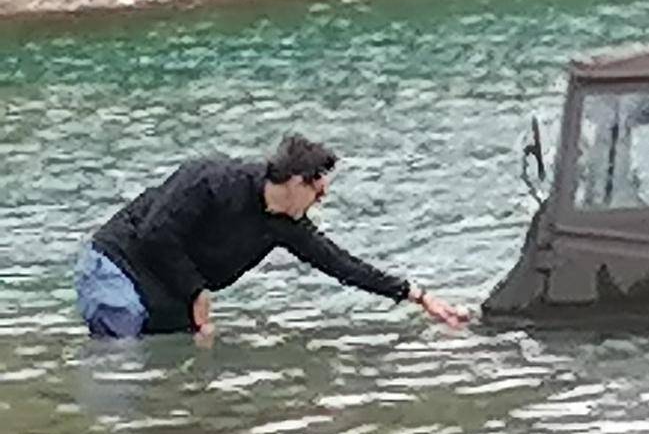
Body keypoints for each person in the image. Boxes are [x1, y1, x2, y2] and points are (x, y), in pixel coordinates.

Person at [75, 134, 468, 338]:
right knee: (119, 362)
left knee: (170, 376)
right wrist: (198, 291)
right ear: (296, 182)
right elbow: (155, 234)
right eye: (318, 189)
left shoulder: (285, 224)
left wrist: (418, 295)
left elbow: (340, 264)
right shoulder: (211, 179)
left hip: (169, 294)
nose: (322, 197)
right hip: (117, 265)